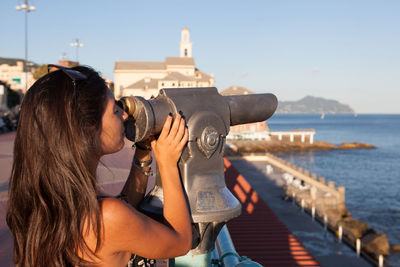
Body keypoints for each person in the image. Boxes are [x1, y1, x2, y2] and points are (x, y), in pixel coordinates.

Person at [6, 65, 192, 267]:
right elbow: (180, 242)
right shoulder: (107, 218)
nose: (124, 115)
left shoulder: (38, 206)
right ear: (87, 130)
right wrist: (167, 164)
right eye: (114, 110)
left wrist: (144, 150)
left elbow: (123, 213)